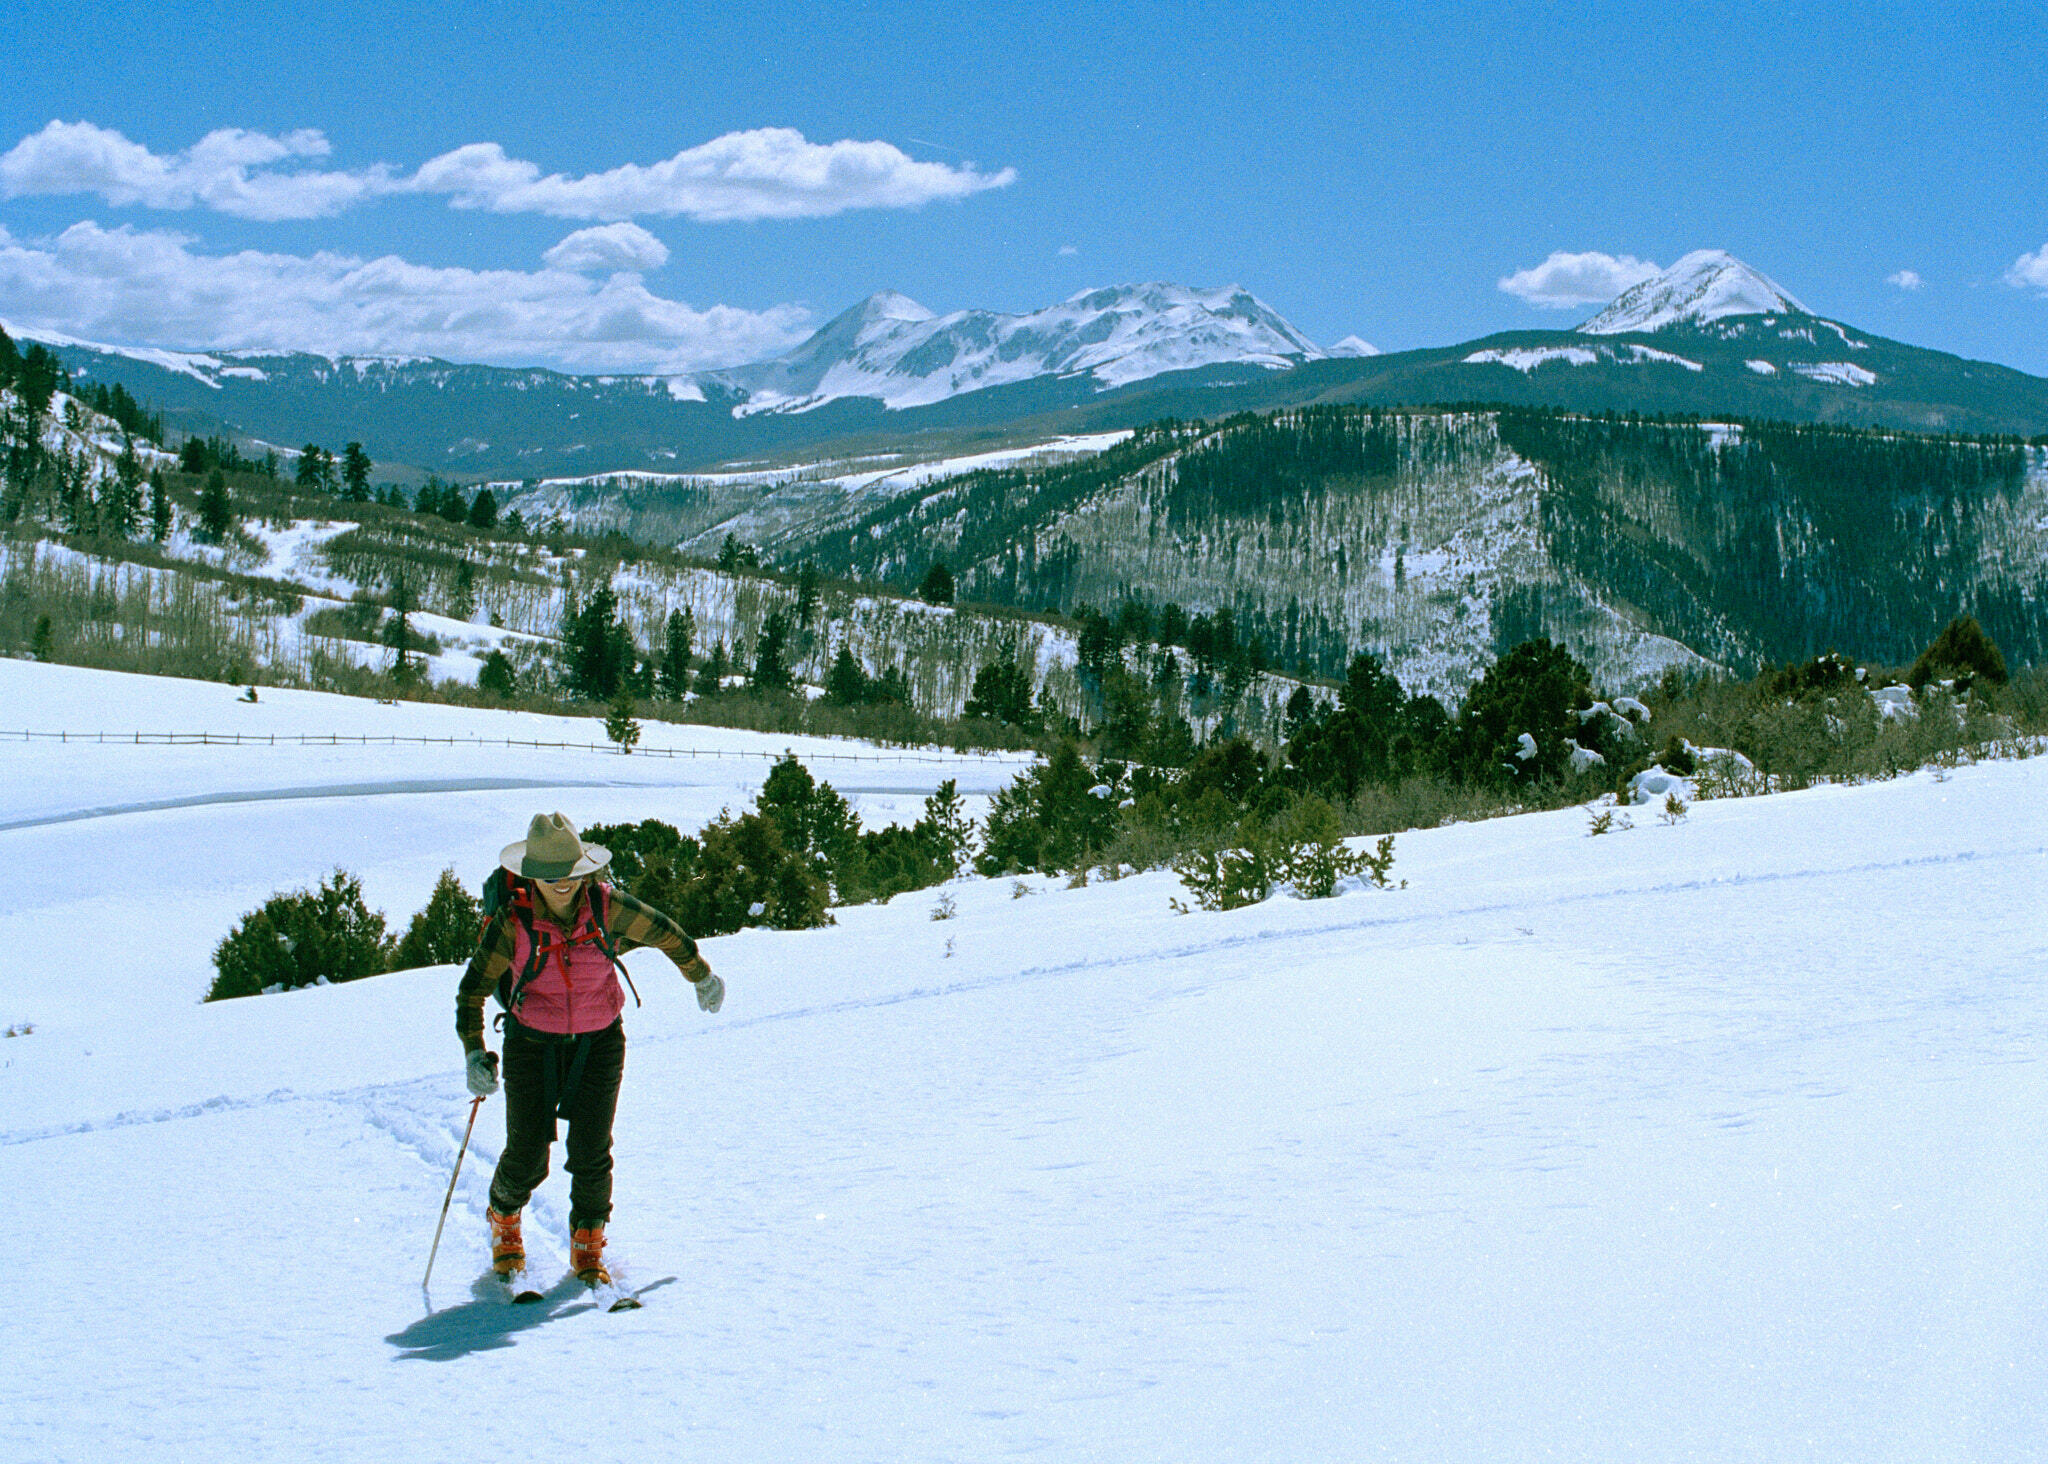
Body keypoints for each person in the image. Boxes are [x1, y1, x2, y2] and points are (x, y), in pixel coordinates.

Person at [457, 812, 723, 1287]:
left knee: (592, 1151)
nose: (562, 885)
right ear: (531, 876)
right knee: (527, 1154)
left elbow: (665, 932)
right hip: (530, 1043)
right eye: (549, 877)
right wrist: (475, 1052)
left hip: (600, 1041)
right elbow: (472, 990)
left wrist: (700, 974)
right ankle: (503, 1218)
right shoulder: (512, 923)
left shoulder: (606, 908)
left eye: (571, 874)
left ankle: (587, 1244)